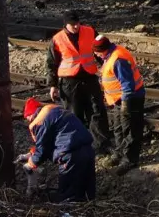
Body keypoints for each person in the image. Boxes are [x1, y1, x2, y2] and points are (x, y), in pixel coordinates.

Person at [46, 11, 111, 153]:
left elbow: (100, 51)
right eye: (72, 24)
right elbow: (52, 63)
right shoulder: (57, 39)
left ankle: (101, 145)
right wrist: (53, 85)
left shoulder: (89, 31)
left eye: (77, 23)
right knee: (74, 114)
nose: (76, 26)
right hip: (70, 81)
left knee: (96, 111)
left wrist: (107, 65)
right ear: (65, 25)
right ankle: (77, 146)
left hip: (89, 77)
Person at [18, 97, 96, 203]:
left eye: (27, 117)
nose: (28, 120)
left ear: (31, 114)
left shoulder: (39, 121)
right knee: (87, 190)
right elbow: (50, 140)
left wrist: (31, 164)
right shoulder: (55, 111)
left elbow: (42, 150)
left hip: (70, 155)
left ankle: (70, 210)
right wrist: (32, 153)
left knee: (68, 195)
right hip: (88, 149)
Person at [92, 34, 146, 173]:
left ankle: (130, 160)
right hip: (118, 100)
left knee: (130, 129)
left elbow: (128, 84)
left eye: (97, 51)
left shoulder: (118, 60)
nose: (95, 54)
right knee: (118, 128)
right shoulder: (110, 55)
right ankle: (119, 153)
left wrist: (126, 105)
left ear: (104, 49)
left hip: (129, 99)